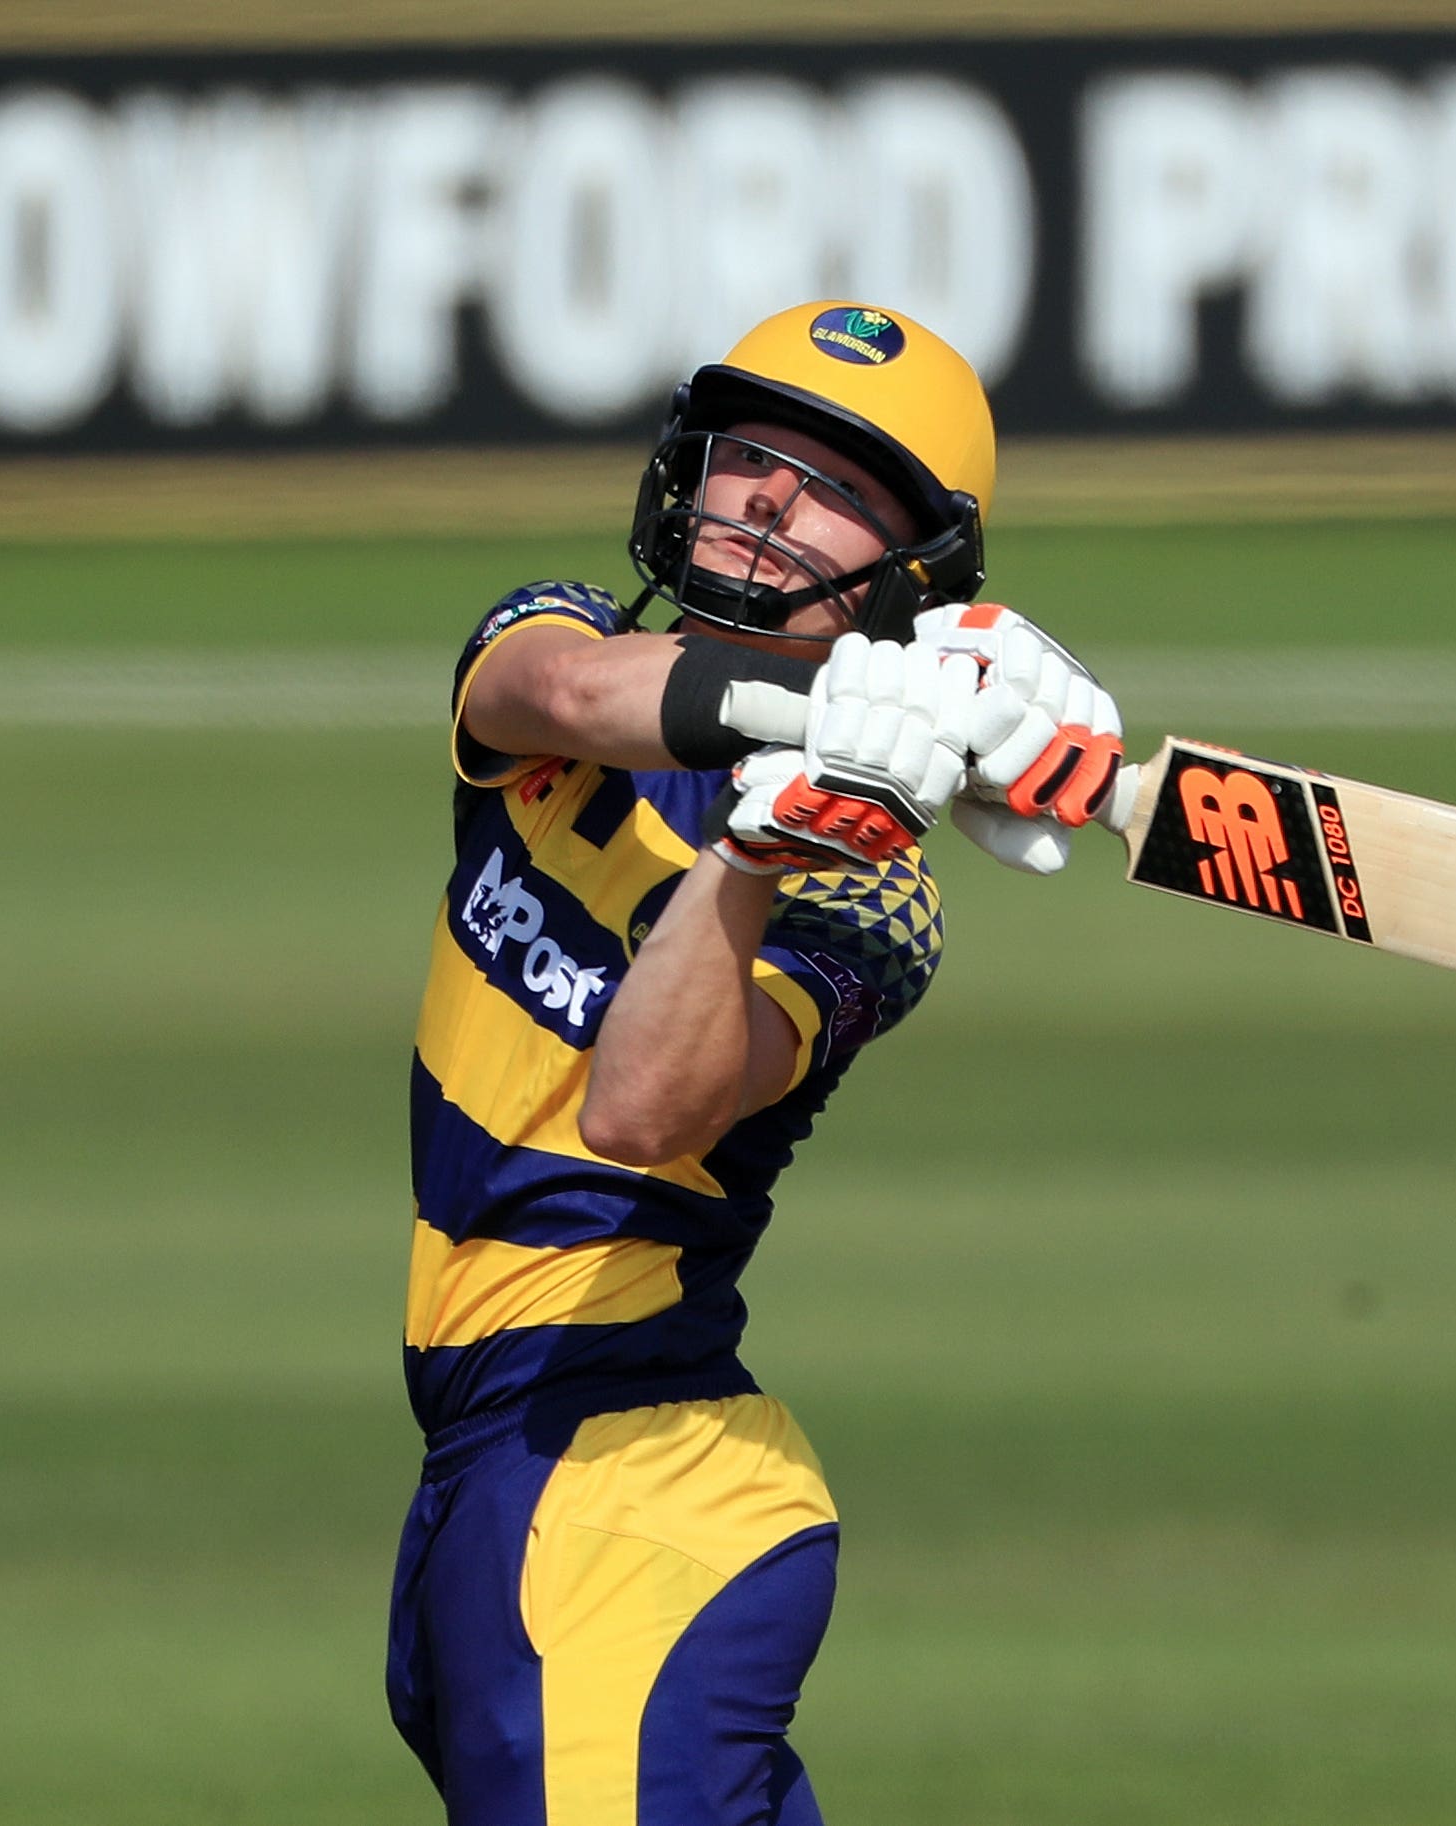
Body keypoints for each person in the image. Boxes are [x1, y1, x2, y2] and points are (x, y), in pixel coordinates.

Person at [383, 301, 1121, 1826]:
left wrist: (764, 846)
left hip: (621, 1495)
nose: (773, 499)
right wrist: (824, 715)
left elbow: (643, 1105)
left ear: (916, 571)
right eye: (751, 455)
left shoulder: (867, 893)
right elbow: (577, 696)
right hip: (499, 1470)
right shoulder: (553, 636)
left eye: (840, 484)